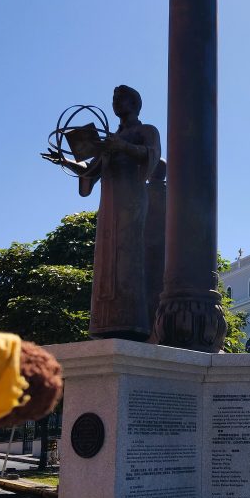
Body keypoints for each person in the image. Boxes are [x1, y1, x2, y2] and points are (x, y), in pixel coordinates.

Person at [81, 86, 161, 340]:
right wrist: (66, 162)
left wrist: (123, 147)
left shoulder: (146, 131)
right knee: (106, 260)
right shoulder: (109, 141)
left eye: (121, 99)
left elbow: (152, 156)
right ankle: (104, 323)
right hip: (109, 208)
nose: (116, 103)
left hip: (132, 203)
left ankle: (133, 322)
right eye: (114, 99)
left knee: (129, 258)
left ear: (135, 103)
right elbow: (90, 175)